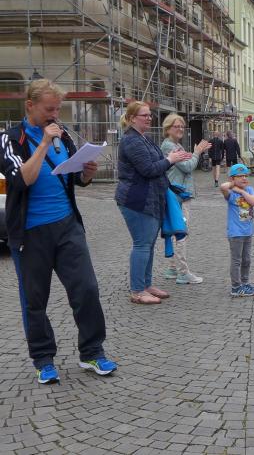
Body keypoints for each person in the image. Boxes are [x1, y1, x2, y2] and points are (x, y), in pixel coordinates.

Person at [0, 79, 117, 384]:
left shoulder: (62, 135)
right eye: (49, 109)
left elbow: (75, 178)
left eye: (57, 109)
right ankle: (43, 359)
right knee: (35, 300)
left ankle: (92, 351)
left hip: (67, 225)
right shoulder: (11, 139)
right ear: (30, 106)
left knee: (86, 288)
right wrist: (42, 143)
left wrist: (87, 174)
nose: (54, 115)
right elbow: (21, 180)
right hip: (30, 232)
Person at [116, 101, 193, 305]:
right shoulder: (131, 141)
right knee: (142, 244)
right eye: (145, 115)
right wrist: (170, 160)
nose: (149, 118)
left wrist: (172, 158)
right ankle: (137, 291)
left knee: (148, 245)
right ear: (132, 118)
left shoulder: (145, 138)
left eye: (150, 115)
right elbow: (148, 169)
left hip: (150, 198)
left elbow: (159, 163)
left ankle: (146, 285)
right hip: (137, 199)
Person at [161, 114, 211, 285]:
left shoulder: (176, 145)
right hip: (178, 195)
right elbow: (188, 166)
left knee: (176, 231)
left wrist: (192, 154)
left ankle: (172, 268)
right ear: (168, 128)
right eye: (177, 126)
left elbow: (186, 163)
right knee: (181, 233)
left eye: (182, 126)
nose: (181, 129)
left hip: (178, 194)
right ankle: (183, 273)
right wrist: (197, 152)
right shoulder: (170, 146)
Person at [220, 164, 254, 297]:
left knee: (246, 260)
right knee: (237, 261)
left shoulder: (249, 189)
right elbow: (223, 187)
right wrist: (233, 186)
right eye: (240, 176)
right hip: (236, 233)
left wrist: (242, 192)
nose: (244, 178)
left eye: (245, 176)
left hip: (248, 231)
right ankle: (236, 287)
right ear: (232, 178)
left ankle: (244, 282)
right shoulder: (230, 193)